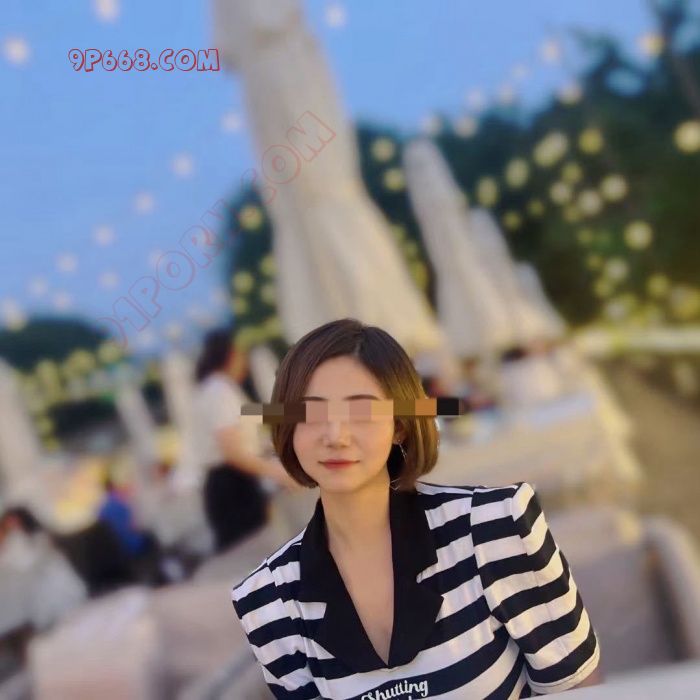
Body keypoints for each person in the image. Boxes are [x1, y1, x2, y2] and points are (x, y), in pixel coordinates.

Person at [230, 318, 602, 698]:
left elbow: (577, 689)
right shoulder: (268, 601)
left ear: (400, 426)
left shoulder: (495, 527)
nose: (335, 436)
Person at [193, 327, 300, 553]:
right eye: (241, 355)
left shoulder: (221, 390)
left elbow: (253, 422)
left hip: (233, 483)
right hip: (231, 486)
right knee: (250, 556)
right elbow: (233, 451)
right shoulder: (218, 391)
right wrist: (277, 472)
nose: (245, 362)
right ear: (231, 355)